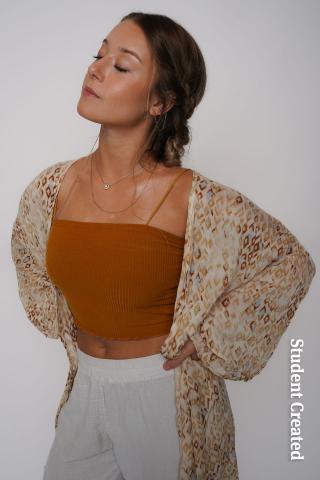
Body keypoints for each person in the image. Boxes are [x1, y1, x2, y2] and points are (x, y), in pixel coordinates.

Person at [10, 11, 316, 480]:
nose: (96, 69)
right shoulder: (52, 187)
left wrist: (207, 336)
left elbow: (289, 262)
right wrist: (64, 315)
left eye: (122, 65)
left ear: (160, 101)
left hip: (164, 397)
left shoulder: (196, 200)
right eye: (99, 54)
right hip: (86, 388)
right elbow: (26, 251)